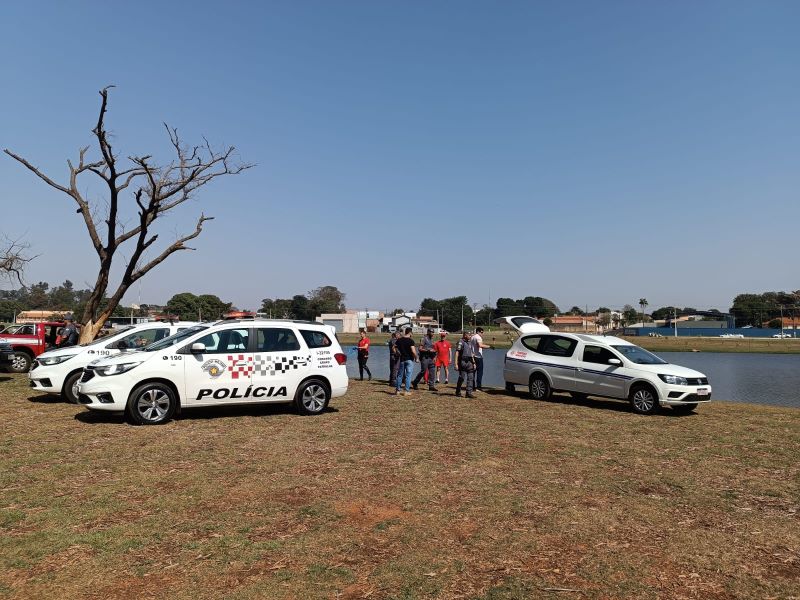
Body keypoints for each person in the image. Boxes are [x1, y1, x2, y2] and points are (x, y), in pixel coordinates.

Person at [394, 327, 417, 395]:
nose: (412, 334)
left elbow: (393, 347)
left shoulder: (400, 340)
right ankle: (406, 391)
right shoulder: (411, 341)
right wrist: (417, 358)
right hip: (409, 360)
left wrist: (397, 353)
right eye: (412, 333)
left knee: (400, 375)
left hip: (402, 360)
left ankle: (398, 390)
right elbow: (413, 351)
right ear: (410, 332)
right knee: (408, 375)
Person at [454, 330, 477, 398]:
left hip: (469, 362)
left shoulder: (470, 343)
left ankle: (468, 393)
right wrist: (456, 364)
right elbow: (457, 353)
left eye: (471, 335)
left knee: (470, 377)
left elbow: (471, 354)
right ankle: (458, 391)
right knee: (462, 377)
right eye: (469, 335)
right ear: (465, 335)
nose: (470, 336)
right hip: (462, 362)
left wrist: (474, 363)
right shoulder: (460, 342)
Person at [471, 326, 493, 391]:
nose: (482, 334)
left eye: (483, 332)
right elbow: (480, 345)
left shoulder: (472, 337)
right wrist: (489, 346)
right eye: (481, 332)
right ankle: (478, 387)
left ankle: (472, 386)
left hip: (472, 357)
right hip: (478, 357)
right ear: (478, 331)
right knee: (479, 372)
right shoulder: (478, 337)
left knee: (473, 373)